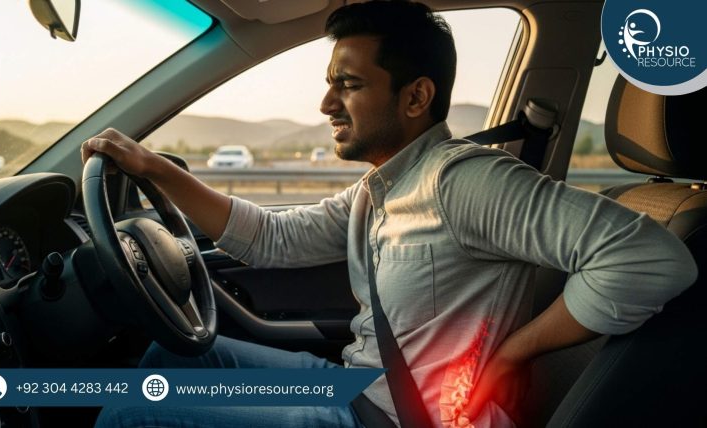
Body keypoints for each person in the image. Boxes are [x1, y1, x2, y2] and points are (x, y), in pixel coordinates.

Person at [83, 1, 697, 427]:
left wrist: (515, 353)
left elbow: (651, 259)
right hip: (358, 389)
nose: (326, 103)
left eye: (347, 84)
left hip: (396, 417)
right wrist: (157, 169)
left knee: (131, 412)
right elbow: (272, 237)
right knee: (174, 358)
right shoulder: (383, 187)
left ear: (415, 97)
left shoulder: (464, 181)